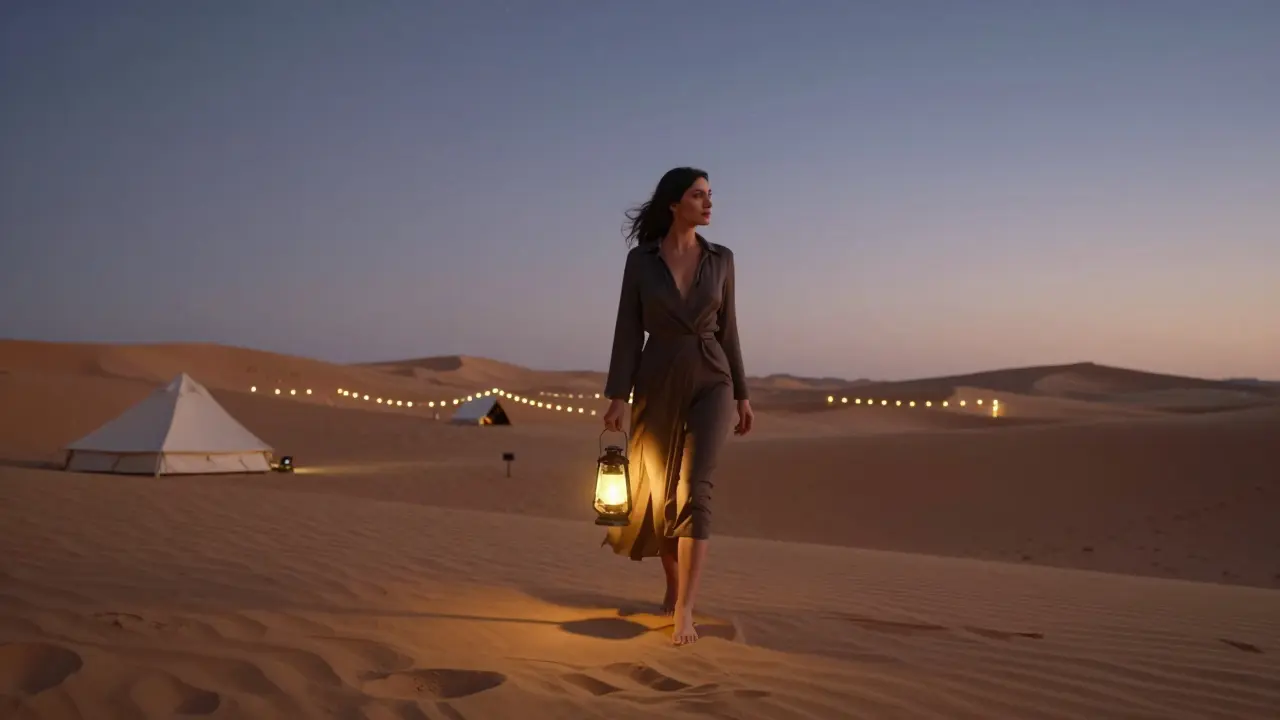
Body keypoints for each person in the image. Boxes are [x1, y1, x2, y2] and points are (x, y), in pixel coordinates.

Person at [601, 166, 753, 646]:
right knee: (659, 494)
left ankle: (685, 608)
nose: (709, 203)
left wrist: (743, 393)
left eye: (710, 195)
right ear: (674, 204)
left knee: (693, 490)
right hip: (656, 380)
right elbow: (628, 329)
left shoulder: (722, 259)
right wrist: (617, 396)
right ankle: (671, 583)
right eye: (698, 195)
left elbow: (729, 330)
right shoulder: (640, 261)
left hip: (712, 379)